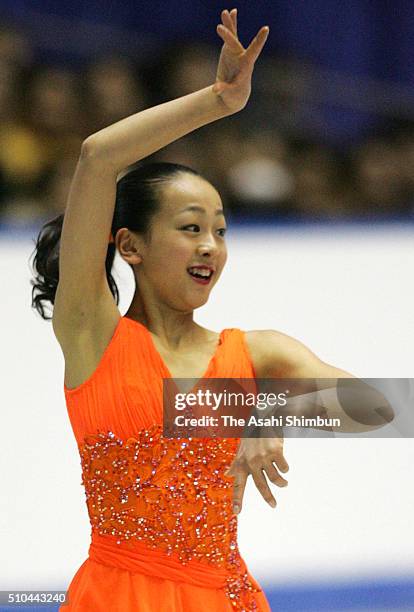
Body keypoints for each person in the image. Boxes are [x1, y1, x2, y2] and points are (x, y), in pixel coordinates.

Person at [30, 8, 393, 611]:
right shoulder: (92, 333)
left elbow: (381, 408)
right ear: (130, 246)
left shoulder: (254, 353)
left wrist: (268, 410)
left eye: (220, 231)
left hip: (222, 598)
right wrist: (218, 102)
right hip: (118, 595)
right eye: (190, 227)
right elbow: (97, 158)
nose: (209, 246)